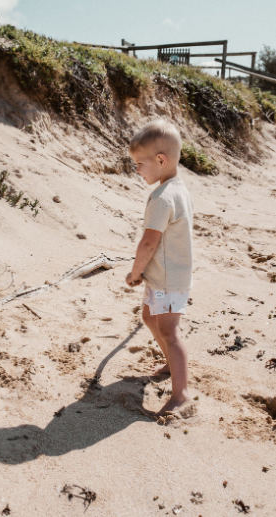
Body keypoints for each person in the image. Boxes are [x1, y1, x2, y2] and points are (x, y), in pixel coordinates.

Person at [126, 119, 193, 416]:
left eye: (140, 163)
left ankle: (181, 394)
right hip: (169, 275)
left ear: (160, 160)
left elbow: (149, 244)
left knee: (169, 330)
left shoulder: (162, 198)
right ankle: (171, 364)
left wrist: (135, 272)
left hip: (166, 279)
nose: (137, 169)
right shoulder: (179, 189)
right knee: (148, 316)